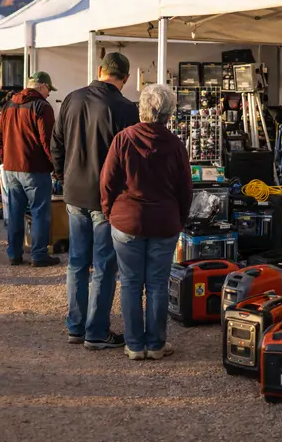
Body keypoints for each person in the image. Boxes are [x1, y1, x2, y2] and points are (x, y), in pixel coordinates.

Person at [51, 53, 139, 350]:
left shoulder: (71, 99)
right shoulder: (127, 109)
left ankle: (76, 326)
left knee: (76, 262)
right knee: (103, 266)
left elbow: (57, 144)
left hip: (74, 192)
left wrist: (63, 177)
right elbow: (130, 159)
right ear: (124, 79)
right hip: (106, 198)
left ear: (99, 71)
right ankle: (96, 332)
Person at [100, 84, 192, 360]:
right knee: (157, 284)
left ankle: (134, 345)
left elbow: (107, 182)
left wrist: (109, 212)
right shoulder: (176, 145)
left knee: (129, 282)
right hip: (164, 222)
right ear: (168, 113)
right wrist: (181, 218)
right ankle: (155, 344)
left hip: (127, 221)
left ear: (142, 109)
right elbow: (185, 188)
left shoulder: (123, 139)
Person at [0, 72, 59, 268]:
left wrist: (5, 158)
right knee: (40, 212)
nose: (48, 93)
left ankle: (14, 253)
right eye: (48, 89)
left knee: (15, 211)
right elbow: (48, 142)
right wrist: (56, 166)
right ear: (41, 86)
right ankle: (39, 254)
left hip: (11, 167)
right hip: (34, 168)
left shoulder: (9, 105)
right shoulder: (42, 107)